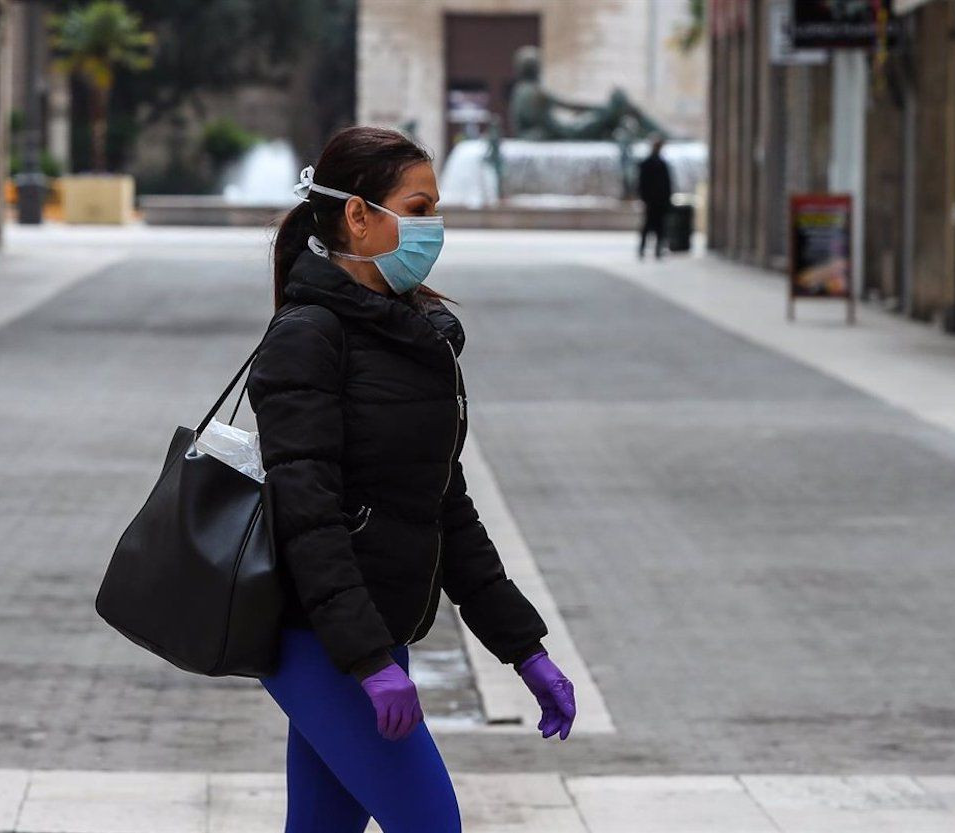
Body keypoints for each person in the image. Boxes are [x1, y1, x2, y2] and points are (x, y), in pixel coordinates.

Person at [246, 125, 577, 833]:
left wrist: (524, 649)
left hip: (374, 633)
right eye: (419, 209)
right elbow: (308, 514)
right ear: (359, 217)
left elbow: (444, 507)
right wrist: (367, 661)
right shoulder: (308, 336)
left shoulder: (408, 334)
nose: (434, 228)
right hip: (321, 641)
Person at [636, 136, 674, 260]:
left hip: (660, 200)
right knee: (649, 225)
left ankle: (657, 249)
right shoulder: (647, 163)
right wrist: (644, 198)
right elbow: (642, 183)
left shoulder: (662, 163)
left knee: (659, 226)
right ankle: (643, 249)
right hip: (652, 200)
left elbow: (667, 184)